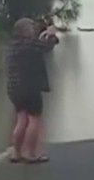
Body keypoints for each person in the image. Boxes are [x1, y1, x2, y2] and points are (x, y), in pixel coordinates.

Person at [6, 17, 59, 163]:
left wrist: (44, 36)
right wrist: (52, 34)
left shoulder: (12, 45)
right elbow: (47, 46)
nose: (33, 29)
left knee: (21, 119)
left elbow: (39, 43)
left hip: (14, 89)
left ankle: (16, 152)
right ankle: (30, 153)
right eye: (31, 27)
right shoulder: (30, 45)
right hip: (30, 87)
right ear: (25, 31)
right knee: (34, 120)